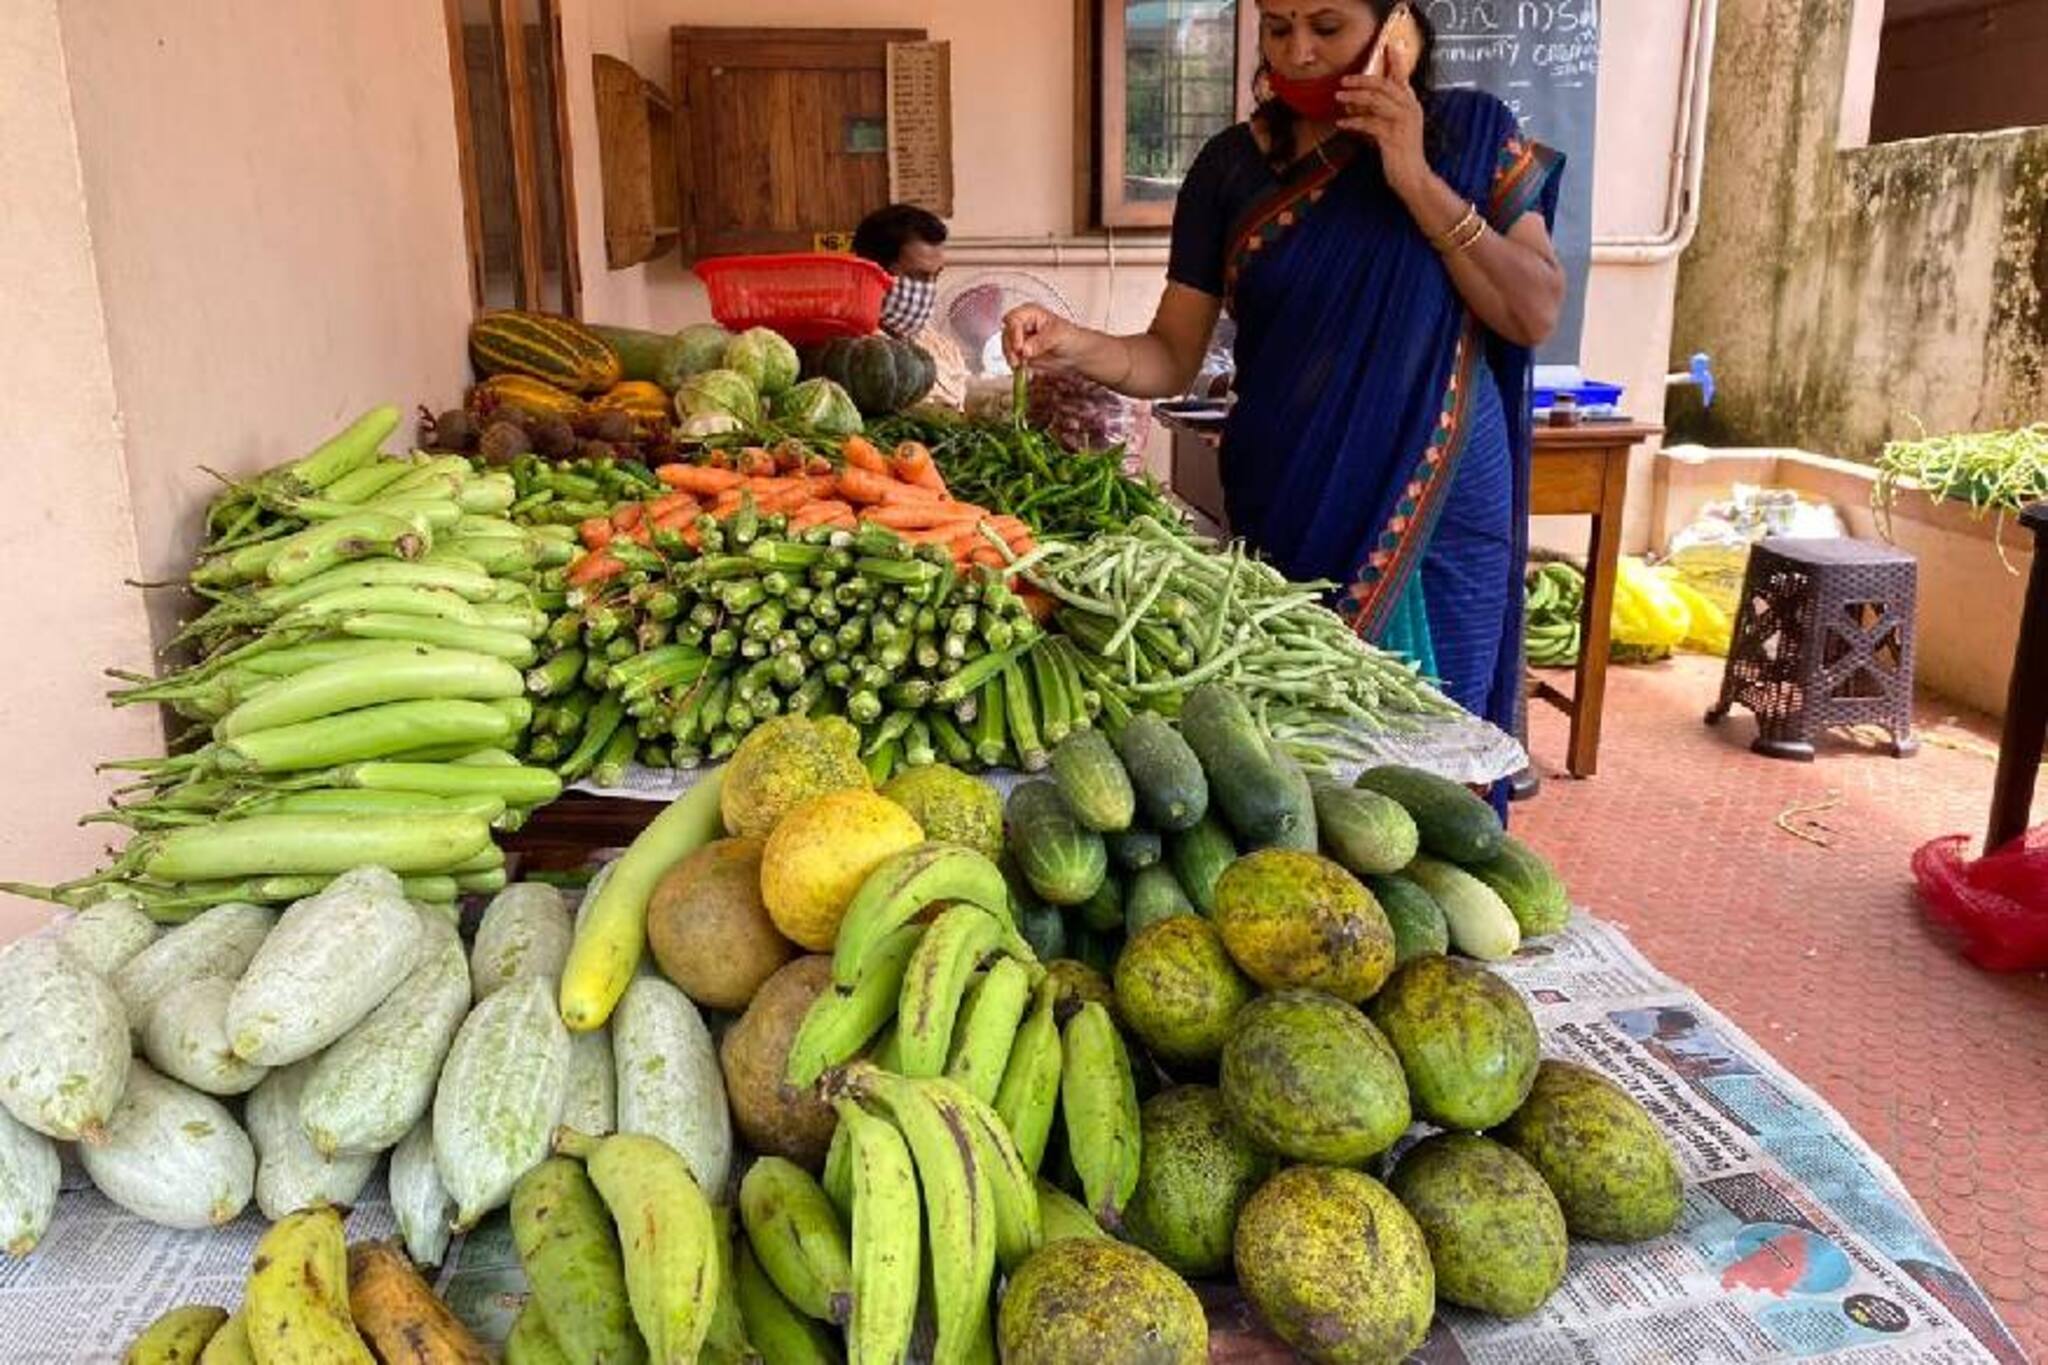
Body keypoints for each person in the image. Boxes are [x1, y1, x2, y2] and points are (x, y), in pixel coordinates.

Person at [1002, 0, 1565, 811]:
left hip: (1437, 510)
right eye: (1277, 26)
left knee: (1441, 786)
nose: (1298, 52)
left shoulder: (1473, 134)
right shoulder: (1231, 169)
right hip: (1292, 503)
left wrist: (1414, 178)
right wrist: (1072, 342)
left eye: (1327, 27)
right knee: (1298, 773)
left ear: (1394, 27)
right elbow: (1168, 356)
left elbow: (1533, 309)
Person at [852, 204, 970, 408]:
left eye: (936, 276)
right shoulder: (851, 351)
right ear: (872, 272)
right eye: (919, 276)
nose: (928, 289)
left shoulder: (941, 348)